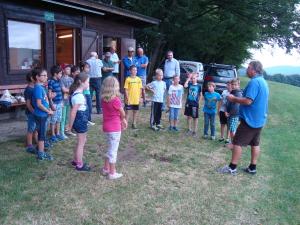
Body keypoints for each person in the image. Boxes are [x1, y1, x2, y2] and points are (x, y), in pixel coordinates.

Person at [218, 61, 269, 175]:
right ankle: (252, 167)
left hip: (250, 120)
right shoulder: (263, 82)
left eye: (249, 68)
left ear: (254, 70)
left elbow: (248, 101)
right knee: (255, 143)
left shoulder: (255, 82)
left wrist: (233, 99)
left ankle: (232, 167)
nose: (247, 69)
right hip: (259, 119)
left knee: (237, 142)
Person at [101, 76, 128, 180]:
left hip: (106, 127)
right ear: (114, 87)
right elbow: (123, 112)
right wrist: (123, 119)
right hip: (115, 128)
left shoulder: (103, 99)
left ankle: (105, 168)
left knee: (109, 147)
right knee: (113, 150)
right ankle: (112, 173)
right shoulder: (116, 100)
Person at [68, 73, 91, 171]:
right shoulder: (79, 96)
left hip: (81, 119)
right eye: (87, 82)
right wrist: (70, 125)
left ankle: (75, 160)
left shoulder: (78, 93)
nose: (88, 84)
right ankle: (79, 164)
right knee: (81, 143)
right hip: (80, 120)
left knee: (80, 141)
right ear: (81, 82)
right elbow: (73, 112)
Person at [31, 68, 54, 160]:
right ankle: (41, 153)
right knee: (42, 134)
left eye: (46, 75)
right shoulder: (38, 88)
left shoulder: (41, 87)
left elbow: (44, 101)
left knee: (41, 132)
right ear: (37, 77)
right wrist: (48, 111)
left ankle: (39, 148)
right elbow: (39, 104)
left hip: (42, 114)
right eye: (44, 75)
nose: (46, 77)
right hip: (41, 115)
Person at [48, 65, 64, 142]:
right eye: (60, 73)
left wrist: (62, 102)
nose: (61, 75)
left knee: (59, 119)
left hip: (60, 103)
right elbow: (49, 94)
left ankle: (57, 133)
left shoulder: (59, 81)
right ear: (55, 74)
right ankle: (53, 135)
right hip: (54, 104)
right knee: (53, 120)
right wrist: (51, 105)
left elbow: (61, 92)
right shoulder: (51, 82)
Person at [225, 79, 242, 147]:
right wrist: (227, 111)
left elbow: (236, 106)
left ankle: (234, 144)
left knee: (232, 130)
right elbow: (229, 103)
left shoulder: (238, 94)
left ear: (238, 85)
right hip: (230, 114)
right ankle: (233, 143)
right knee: (231, 129)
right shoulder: (232, 92)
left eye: (235, 85)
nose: (233, 86)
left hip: (234, 115)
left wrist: (230, 113)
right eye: (232, 84)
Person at [124, 65, 142, 129]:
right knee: (127, 112)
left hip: (136, 99)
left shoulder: (139, 79)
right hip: (129, 100)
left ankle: (134, 123)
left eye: (136, 70)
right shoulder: (128, 79)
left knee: (135, 111)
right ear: (130, 71)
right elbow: (126, 89)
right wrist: (127, 98)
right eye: (133, 70)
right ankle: (125, 124)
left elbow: (140, 89)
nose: (135, 71)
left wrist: (139, 98)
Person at [24, 71, 38, 154]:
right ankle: (29, 144)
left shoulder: (35, 88)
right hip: (31, 113)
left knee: (36, 127)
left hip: (36, 112)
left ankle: (36, 140)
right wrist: (34, 112)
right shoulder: (28, 90)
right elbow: (28, 104)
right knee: (31, 128)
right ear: (32, 78)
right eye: (35, 76)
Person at [60, 64, 74, 139]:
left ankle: (66, 130)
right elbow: (63, 90)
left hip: (69, 100)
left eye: (69, 69)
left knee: (67, 117)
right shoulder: (61, 79)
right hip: (63, 100)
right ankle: (61, 132)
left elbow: (74, 89)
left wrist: (69, 91)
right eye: (67, 69)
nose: (69, 70)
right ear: (63, 70)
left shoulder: (71, 79)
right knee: (63, 117)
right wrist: (70, 90)